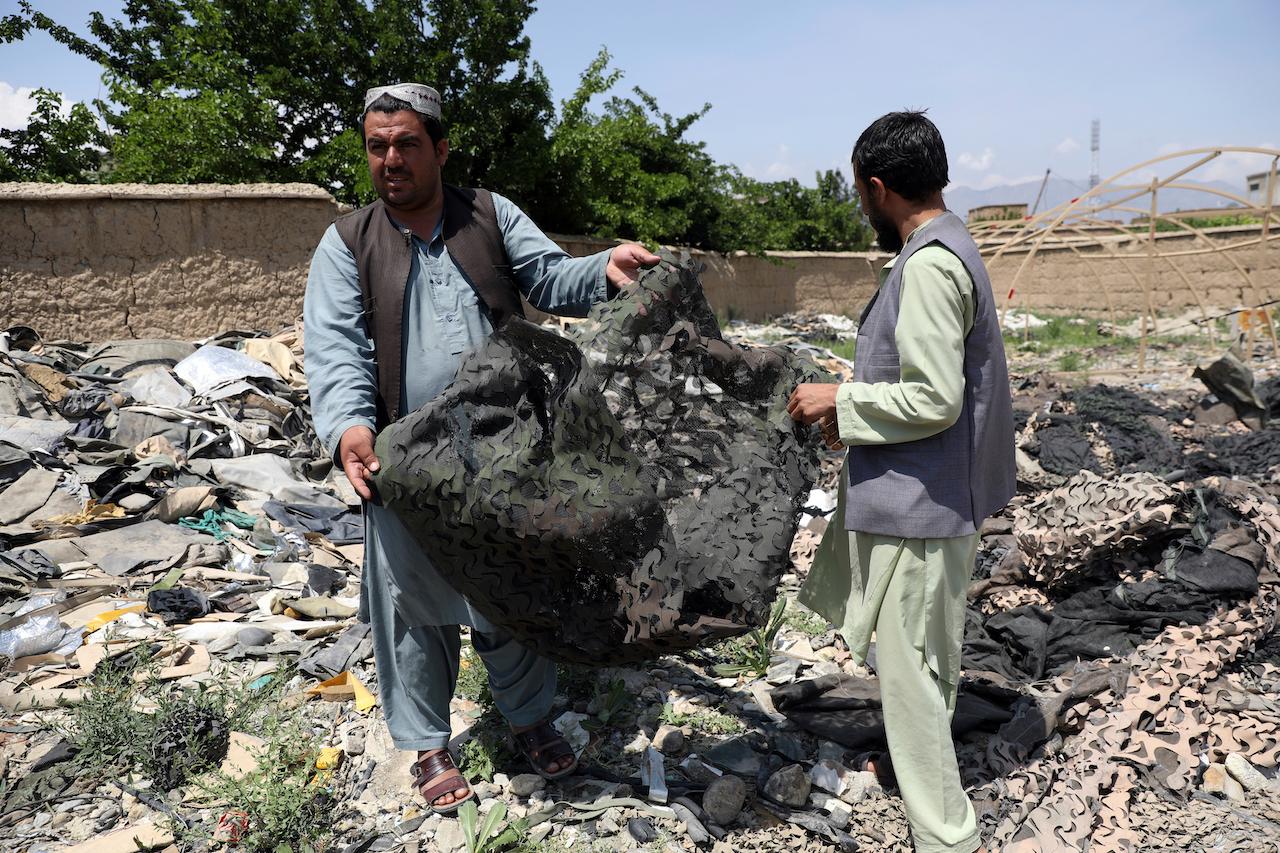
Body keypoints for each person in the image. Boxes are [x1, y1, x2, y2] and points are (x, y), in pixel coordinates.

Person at [303, 82, 659, 814]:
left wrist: (604, 272)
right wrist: (349, 428)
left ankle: (529, 717)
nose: (390, 160)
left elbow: (551, 275)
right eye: (377, 146)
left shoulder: (490, 215)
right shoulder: (348, 243)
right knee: (411, 602)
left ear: (438, 146)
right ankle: (428, 740)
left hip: (506, 448)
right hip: (404, 459)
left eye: (405, 143)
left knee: (513, 582)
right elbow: (334, 347)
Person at [786, 110, 1015, 853]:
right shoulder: (951, 247)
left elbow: (933, 397)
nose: (862, 209)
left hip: (923, 510)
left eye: (860, 195)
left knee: (913, 678)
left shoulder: (929, 264)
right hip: (936, 501)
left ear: (879, 188)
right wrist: (854, 409)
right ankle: (925, 780)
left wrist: (839, 400)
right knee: (928, 664)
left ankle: (946, 835)